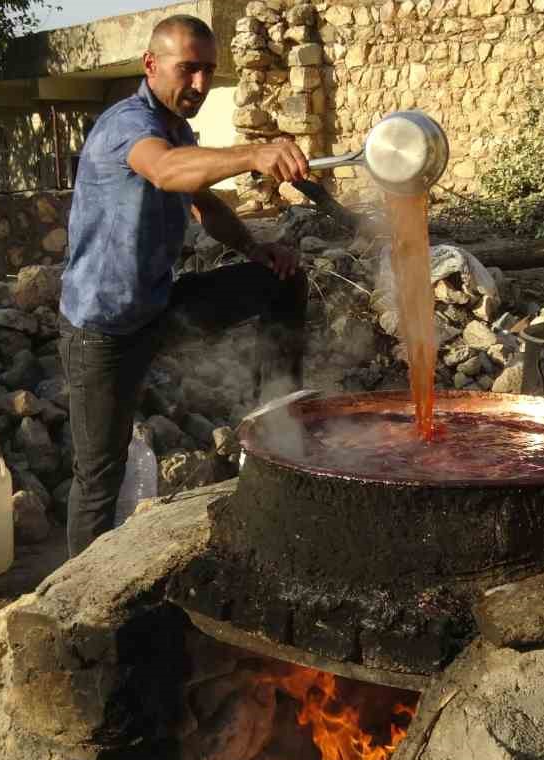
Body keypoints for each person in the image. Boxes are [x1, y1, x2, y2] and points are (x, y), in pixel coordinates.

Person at [59, 14, 313, 558]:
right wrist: (253, 153)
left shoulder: (178, 128)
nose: (199, 85)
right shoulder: (126, 125)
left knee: (281, 281)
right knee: (99, 476)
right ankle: (76, 606)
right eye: (188, 69)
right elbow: (168, 172)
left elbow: (203, 202)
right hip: (102, 331)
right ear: (151, 65)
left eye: (208, 73)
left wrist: (255, 249)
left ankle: (280, 424)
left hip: (158, 308)